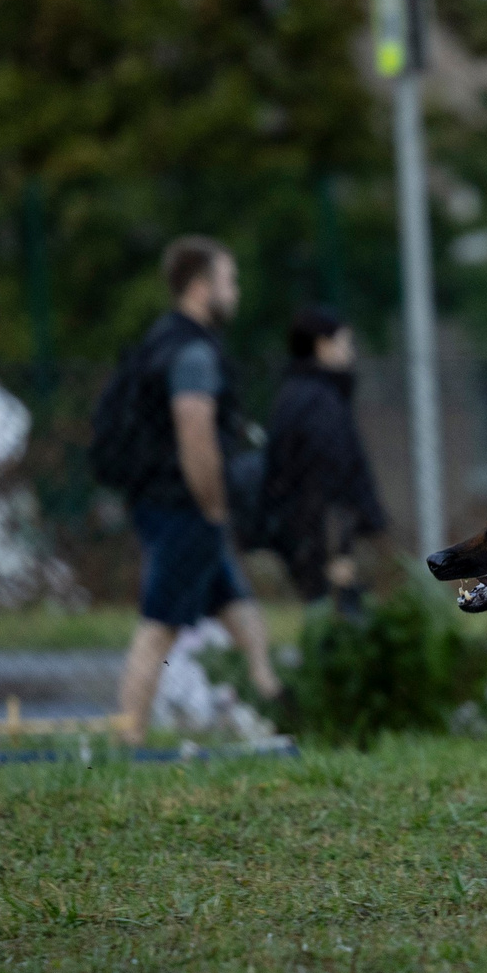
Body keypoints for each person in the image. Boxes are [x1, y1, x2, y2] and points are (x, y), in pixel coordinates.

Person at [114, 235, 284, 740]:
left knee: (239, 609)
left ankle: (276, 702)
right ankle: (128, 739)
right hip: (184, 507)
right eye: (229, 281)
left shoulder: (163, 339)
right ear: (200, 286)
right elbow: (194, 430)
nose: (236, 291)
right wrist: (212, 508)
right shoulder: (191, 351)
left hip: (169, 501)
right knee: (159, 625)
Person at [264, 306, 390, 617]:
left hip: (305, 532)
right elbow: (328, 478)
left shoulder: (294, 395)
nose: (351, 352)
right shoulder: (321, 402)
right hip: (324, 537)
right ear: (322, 345)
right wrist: (338, 550)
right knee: (338, 620)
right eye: (345, 343)